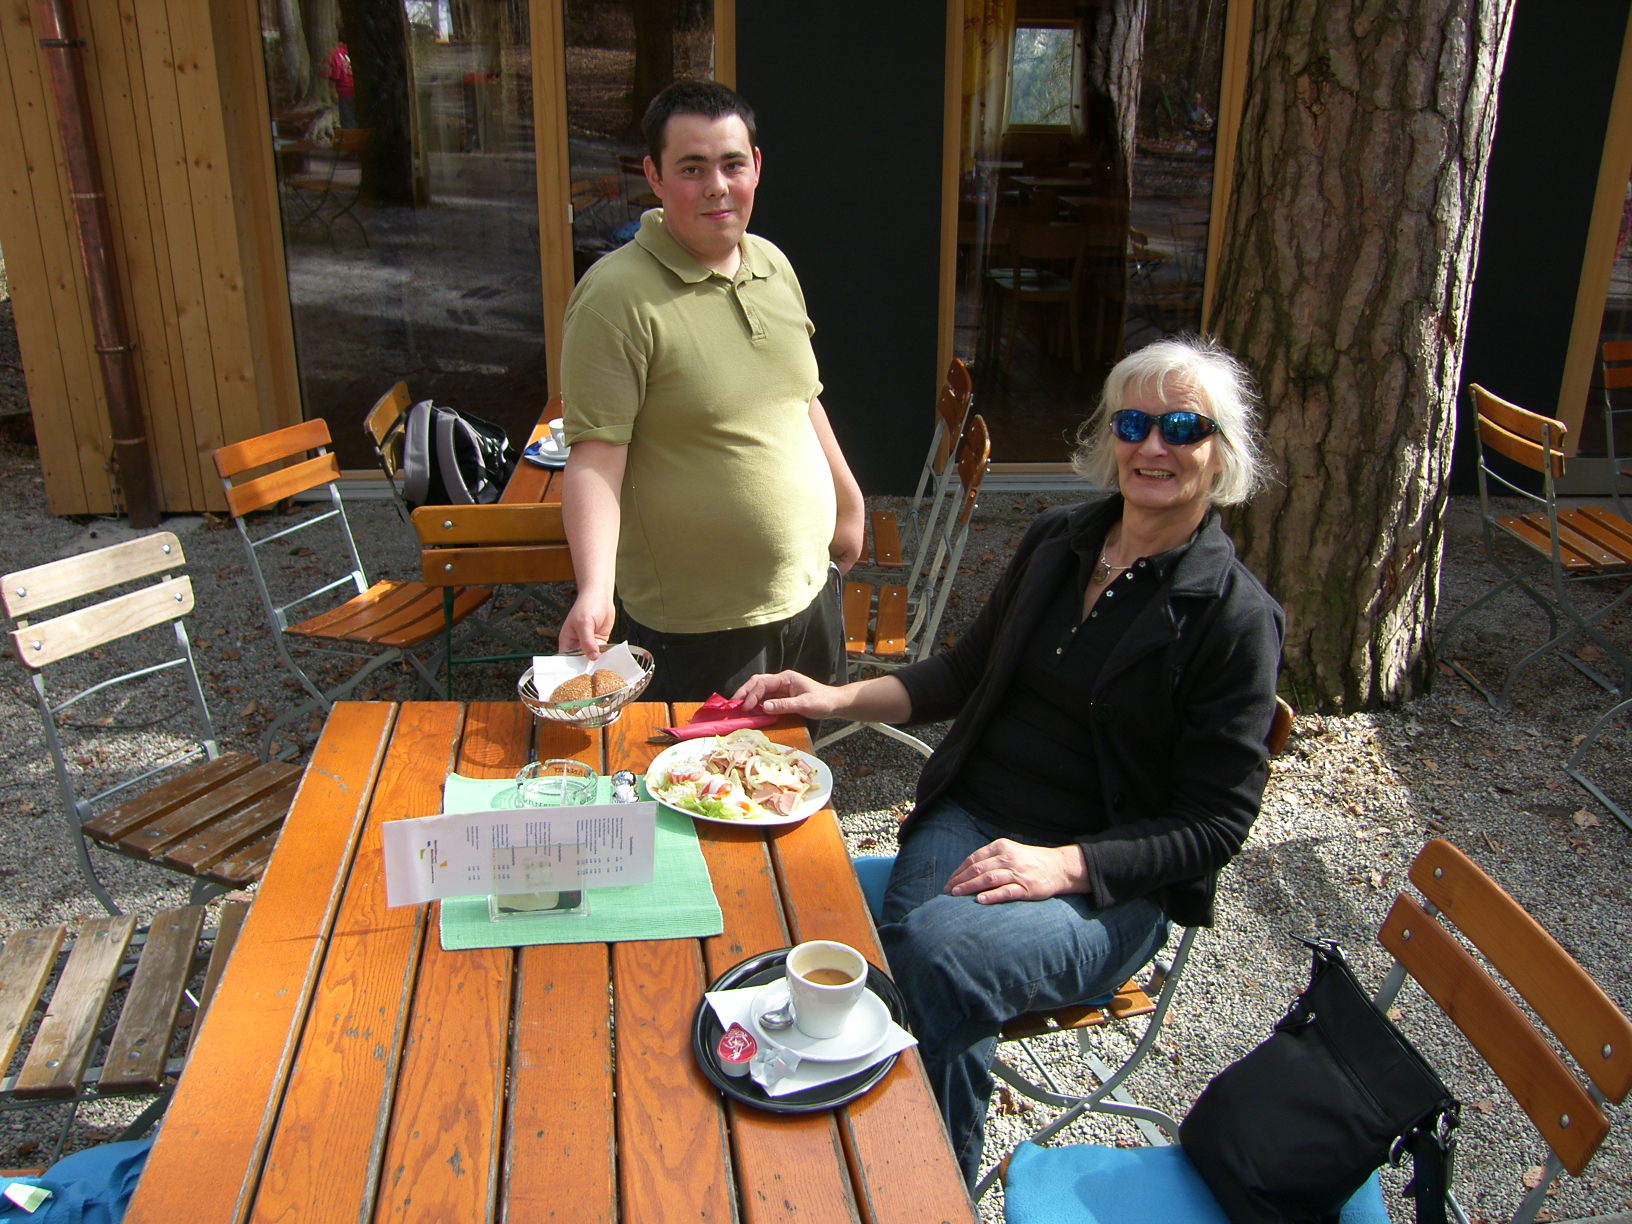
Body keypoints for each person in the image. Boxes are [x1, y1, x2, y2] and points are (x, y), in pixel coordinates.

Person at [735, 336, 1285, 1185]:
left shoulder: (1234, 618)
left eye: (1183, 427)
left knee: (931, 956)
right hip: (971, 819)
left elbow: (1215, 825)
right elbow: (964, 673)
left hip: (1108, 887)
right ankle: (911, 1182)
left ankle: (906, 1185)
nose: (1153, 445)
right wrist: (833, 698)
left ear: (1221, 453)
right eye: (1133, 423)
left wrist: (1064, 865)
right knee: (859, 931)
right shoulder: (1060, 540)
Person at [557, 80, 865, 702]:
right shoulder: (614, 297)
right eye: (692, 168)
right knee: (707, 765)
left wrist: (849, 501)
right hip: (699, 628)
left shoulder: (773, 265)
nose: (717, 186)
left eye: (732, 164)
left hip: (809, 592)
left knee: (794, 757)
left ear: (757, 166)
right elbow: (595, 457)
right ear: (654, 175)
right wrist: (594, 587)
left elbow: (802, 400)